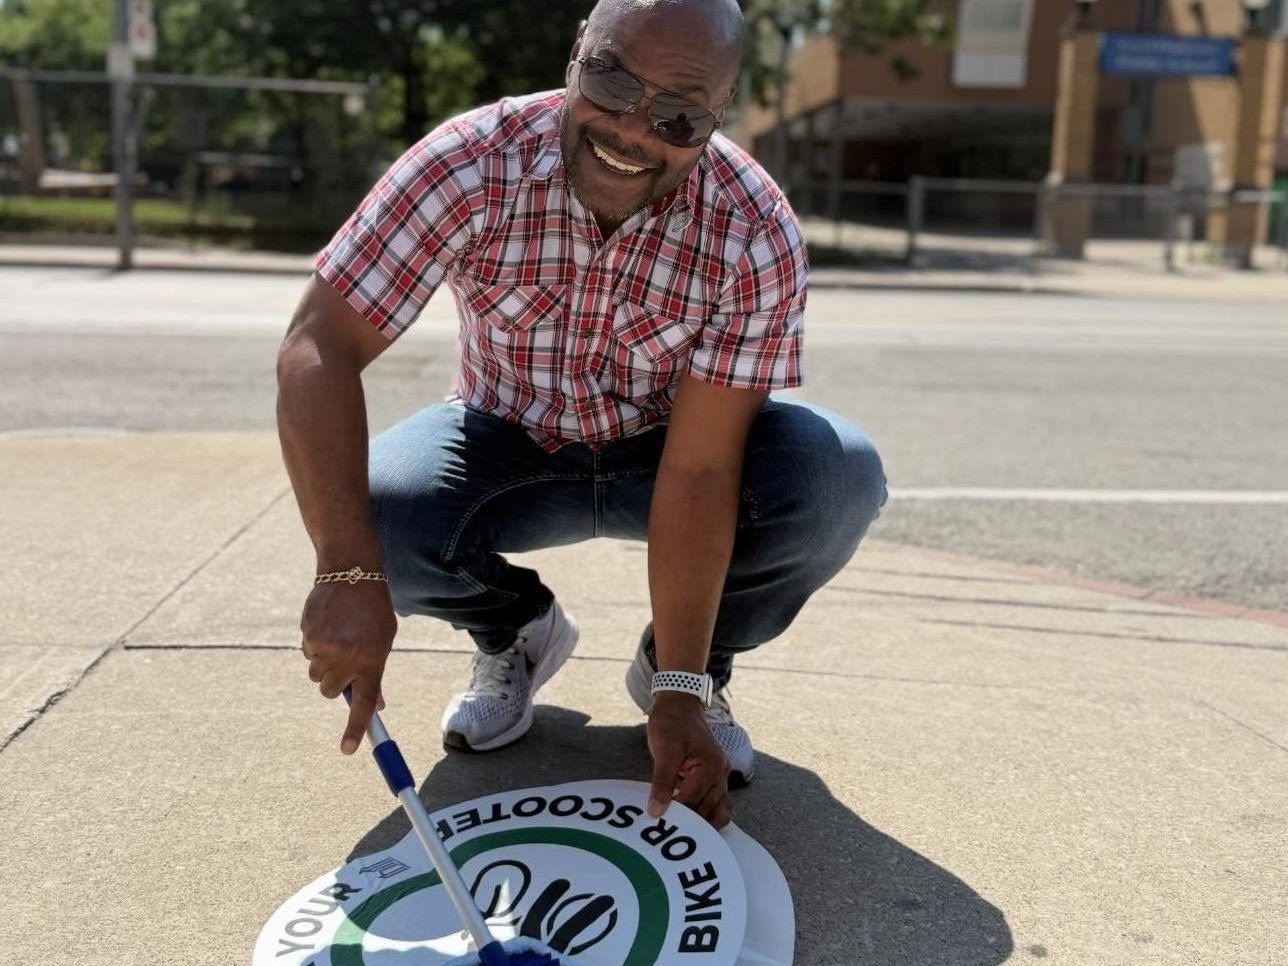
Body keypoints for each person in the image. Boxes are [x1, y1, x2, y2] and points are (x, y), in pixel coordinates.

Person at [277, 0, 886, 829]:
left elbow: (704, 467)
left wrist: (678, 691)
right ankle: (515, 632)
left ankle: (689, 669)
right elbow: (319, 342)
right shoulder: (471, 163)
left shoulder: (753, 227)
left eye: (677, 114)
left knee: (833, 474)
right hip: (504, 442)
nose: (634, 129)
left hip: (665, 456)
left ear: (716, 117)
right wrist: (345, 571)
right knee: (373, 510)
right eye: (611, 79)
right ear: (576, 57)